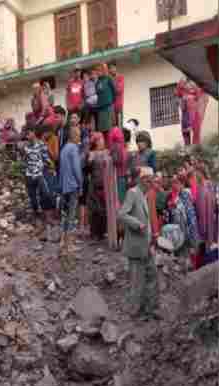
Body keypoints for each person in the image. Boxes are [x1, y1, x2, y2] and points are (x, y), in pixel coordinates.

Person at [119, 168, 159, 321]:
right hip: (136, 246)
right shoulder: (133, 193)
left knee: (152, 277)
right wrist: (137, 224)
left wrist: (152, 236)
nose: (151, 182)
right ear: (142, 180)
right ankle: (135, 313)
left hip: (146, 245)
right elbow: (122, 214)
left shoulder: (144, 195)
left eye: (152, 179)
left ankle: (150, 310)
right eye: (149, 179)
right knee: (136, 281)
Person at [87, 132, 117, 247]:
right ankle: (94, 233)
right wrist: (89, 159)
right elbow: (87, 169)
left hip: (106, 185)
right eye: (100, 140)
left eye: (102, 139)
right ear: (95, 142)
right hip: (94, 184)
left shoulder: (107, 152)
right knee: (95, 210)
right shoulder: (91, 154)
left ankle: (102, 233)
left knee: (104, 209)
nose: (102, 141)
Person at [21, 128, 52, 240]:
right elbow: (23, 160)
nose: (28, 136)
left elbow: (46, 158)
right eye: (26, 134)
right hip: (29, 176)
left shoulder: (41, 145)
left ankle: (47, 220)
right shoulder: (25, 147)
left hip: (39, 175)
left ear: (34, 133)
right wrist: (24, 171)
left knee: (46, 195)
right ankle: (38, 222)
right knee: (33, 199)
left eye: (29, 133)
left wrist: (50, 167)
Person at [59, 126, 83, 254]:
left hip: (64, 186)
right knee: (72, 216)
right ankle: (69, 245)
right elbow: (76, 169)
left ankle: (63, 242)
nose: (79, 137)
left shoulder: (64, 149)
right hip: (72, 186)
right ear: (73, 135)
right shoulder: (73, 148)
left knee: (65, 215)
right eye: (78, 135)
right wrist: (81, 184)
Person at [94, 64, 116, 135]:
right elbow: (98, 93)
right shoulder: (97, 82)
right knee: (102, 130)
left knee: (109, 129)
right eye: (97, 71)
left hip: (108, 107)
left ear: (103, 70)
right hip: (100, 109)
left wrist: (111, 102)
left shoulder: (108, 79)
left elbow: (114, 90)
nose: (98, 72)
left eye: (99, 70)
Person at [109, 62, 125, 128]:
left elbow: (119, 90)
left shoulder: (121, 77)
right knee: (113, 124)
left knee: (120, 124)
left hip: (119, 104)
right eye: (110, 68)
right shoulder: (109, 79)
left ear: (116, 68)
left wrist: (112, 88)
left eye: (113, 68)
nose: (111, 70)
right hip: (111, 105)